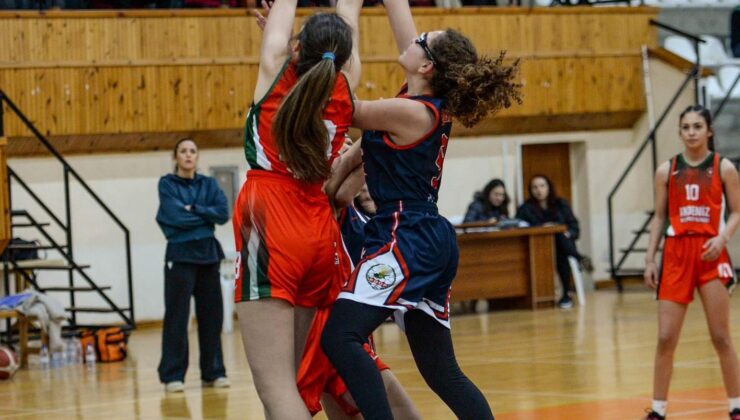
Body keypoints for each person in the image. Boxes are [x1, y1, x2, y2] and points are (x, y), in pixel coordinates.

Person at [320, 0, 521, 418]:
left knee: (340, 337)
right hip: (425, 236)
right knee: (441, 372)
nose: (412, 39)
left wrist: (339, 26)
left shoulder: (410, 111)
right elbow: (400, 16)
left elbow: (345, 107)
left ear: (427, 66)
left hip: (406, 236)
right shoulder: (419, 100)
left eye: (421, 41)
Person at [231, 0, 363, 417]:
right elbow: (350, 17)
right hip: (319, 229)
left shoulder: (274, 69)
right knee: (291, 382)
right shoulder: (346, 83)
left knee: (275, 387)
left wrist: (281, 28)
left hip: (271, 218)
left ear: (295, 49)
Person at [642, 105, 740, 420]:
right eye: (686, 127)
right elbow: (659, 217)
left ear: (709, 130)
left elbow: (737, 211)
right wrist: (649, 259)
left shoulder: (723, 167)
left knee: (721, 336)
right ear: (680, 131)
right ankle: (658, 409)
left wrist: (723, 237)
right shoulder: (665, 170)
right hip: (676, 253)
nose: (692, 132)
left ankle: (736, 405)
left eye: (698, 126)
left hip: (710, 251)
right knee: (665, 336)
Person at [155, 138, 230, 393]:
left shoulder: (208, 184)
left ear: (197, 157)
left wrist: (195, 208)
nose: (188, 155)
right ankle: (172, 375)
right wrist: (203, 216)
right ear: (175, 157)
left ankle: (214, 372)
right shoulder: (167, 184)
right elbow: (172, 215)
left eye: (193, 151)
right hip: (180, 256)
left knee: (212, 317)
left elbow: (222, 212)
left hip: (208, 256)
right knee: (177, 317)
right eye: (183, 151)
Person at [516, 175, 581, 309]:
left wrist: (568, 233)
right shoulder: (525, 208)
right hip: (537, 250)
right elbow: (519, 226)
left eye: (542, 186)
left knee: (559, 240)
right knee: (555, 235)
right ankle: (578, 257)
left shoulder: (561, 204)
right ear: (530, 190)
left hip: (561, 247)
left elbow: (574, 226)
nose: (538, 190)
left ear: (548, 187)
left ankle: (566, 294)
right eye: (534, 187)